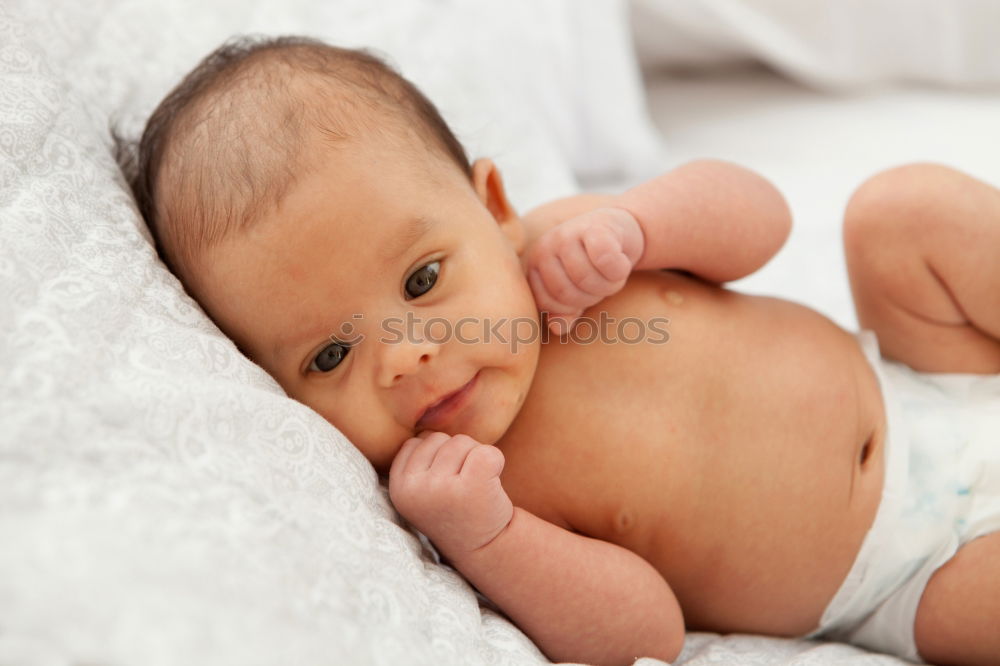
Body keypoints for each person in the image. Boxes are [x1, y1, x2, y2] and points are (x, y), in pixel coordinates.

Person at [119, 35, 1000, 666]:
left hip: (930, 369)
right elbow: (646, 634)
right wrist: (489, 535)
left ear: (492, 208)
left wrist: (641, 222)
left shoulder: (565, 246)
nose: (404, 356)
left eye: (423, 281)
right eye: (327, 358)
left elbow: (762, 220)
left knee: (902, 209)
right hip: (912, 574)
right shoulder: (482, 493)